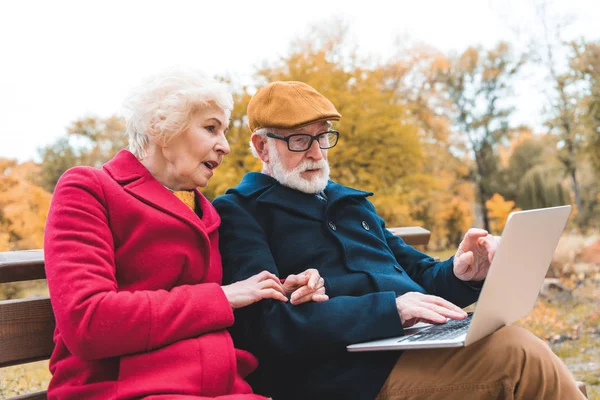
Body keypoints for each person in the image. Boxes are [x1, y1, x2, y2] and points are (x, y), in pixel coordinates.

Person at [212, 81, 586, 400]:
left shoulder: (347, 202)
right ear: (261, 147)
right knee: (517, 355)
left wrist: (463, 273)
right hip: (346, 375)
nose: (316, 152)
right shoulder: (240, 212)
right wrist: (392, 310)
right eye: (298, 139)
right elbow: (268, 327)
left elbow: (416, 275)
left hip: (415, 347)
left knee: (509, 341)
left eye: (323, 135)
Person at [43, 71, 328, 400]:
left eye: (223, 131)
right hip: (125, 390)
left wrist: (278, 291)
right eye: (210, 128)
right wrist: (224, 296)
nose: (224, 146)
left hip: (224, 387)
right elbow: (88, 321)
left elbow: (216, 307)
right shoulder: (89, 188)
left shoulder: (207, 211)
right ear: (161, 127)